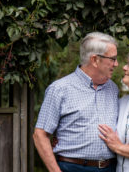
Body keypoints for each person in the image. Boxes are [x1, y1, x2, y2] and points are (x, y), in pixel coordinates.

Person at [33, 32, 119, 172]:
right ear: (95, 60)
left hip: (110, 167)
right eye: (113, 59)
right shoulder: (60, 89)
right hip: (73, 167)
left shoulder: (113, 88)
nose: (116, 64)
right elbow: (40, 134)